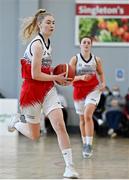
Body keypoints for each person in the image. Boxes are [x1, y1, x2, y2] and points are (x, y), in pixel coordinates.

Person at [8, 9, 79, 179]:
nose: (51, 25)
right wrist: (56, 77)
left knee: (59, 125)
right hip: (31, 91)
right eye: (48, 22)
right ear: (39, 24)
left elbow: (44, 71)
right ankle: (17, 122)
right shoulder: (37, 45)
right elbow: (35, 75)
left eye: (53, 22)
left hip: (47, 89)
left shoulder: (48, 43)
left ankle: (70, 167)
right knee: (34, 135)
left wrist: (59, 76)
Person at [69, 36, 105, 158]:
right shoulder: (75, 59)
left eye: (88, 42)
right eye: (84, 42)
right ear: (80, 45)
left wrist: (103, 83)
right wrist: (81, 78)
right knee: (82, 120)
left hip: (93, 90)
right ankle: (85, 143)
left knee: (88, 115)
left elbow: (100, 73)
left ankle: (89, 144)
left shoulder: (96, 59)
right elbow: (69, 78)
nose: (86, 44)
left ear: (91, 45)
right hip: (79, 91)